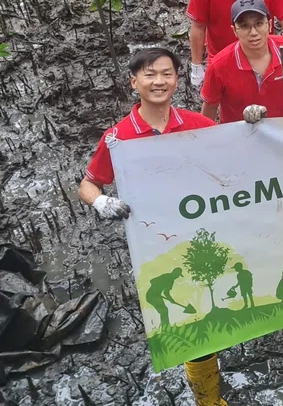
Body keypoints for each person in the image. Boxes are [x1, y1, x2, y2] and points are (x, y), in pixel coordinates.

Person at [76, 48, 226, 406]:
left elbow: (237, 150)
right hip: (159, 247)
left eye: (166, 74)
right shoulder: (118, 138)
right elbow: (88, 184)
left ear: (177, 80)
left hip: (205, 237)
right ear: (134, 82)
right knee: (193, 328)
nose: (159, 81)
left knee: (217, 312)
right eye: (149, 74)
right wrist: (101, 202)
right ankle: (209, 400)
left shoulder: (197, 125)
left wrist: (254, 121)